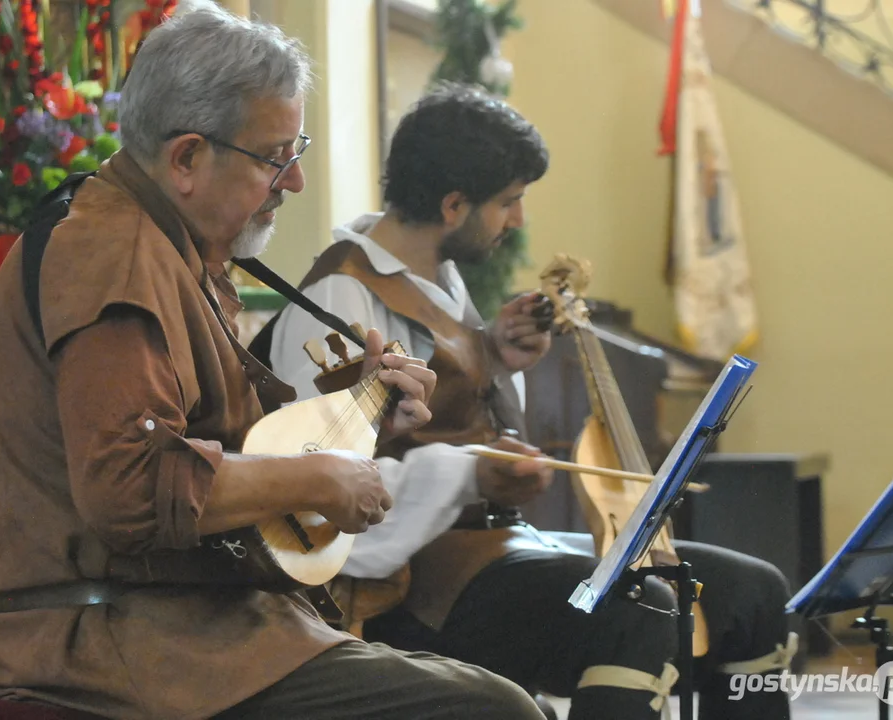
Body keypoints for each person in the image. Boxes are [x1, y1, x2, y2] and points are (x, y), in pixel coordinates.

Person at [0, 5, 548, 719]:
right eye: (276, 156)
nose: (296, 181)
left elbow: (217, 442)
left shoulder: (171, 244)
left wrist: (362, 411)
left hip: (200, 628)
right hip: (127, 645)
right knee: (493, 710)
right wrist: (317, 474)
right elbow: (129, 488)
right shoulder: (115, 254)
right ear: (185, 158)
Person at [265, 82, 798, 720]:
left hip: (506, 548)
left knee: (752, 591)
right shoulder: (336, 301)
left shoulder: (439, 282)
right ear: (454, 204)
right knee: (643, 608)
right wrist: (472, 470)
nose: (517, 220)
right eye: (509, 202)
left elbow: (457, 413)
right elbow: (312, 488)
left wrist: (494, 355)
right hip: (408, 589)